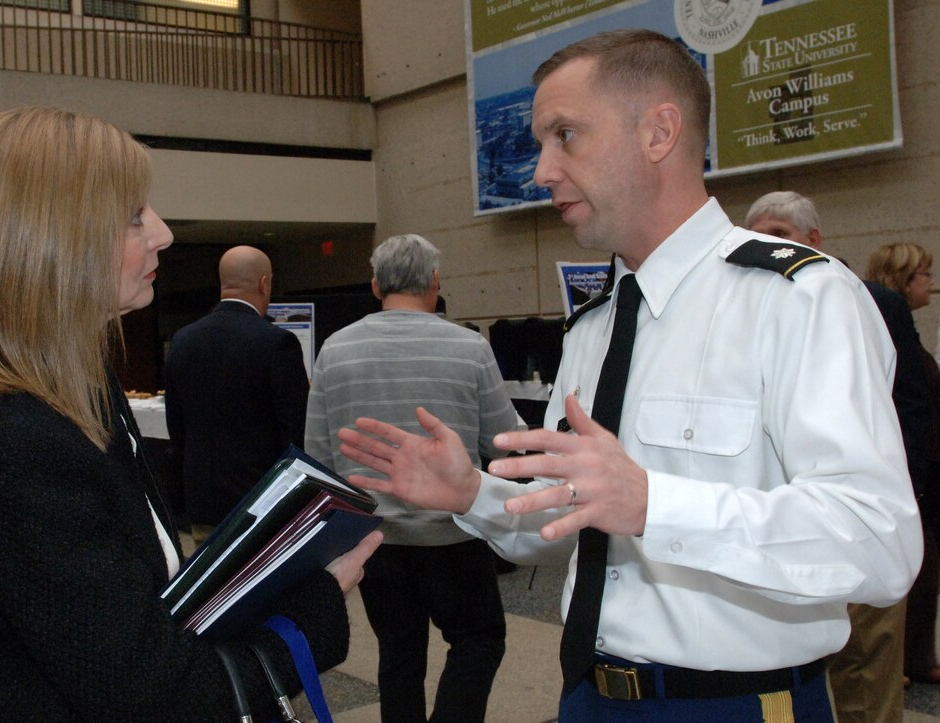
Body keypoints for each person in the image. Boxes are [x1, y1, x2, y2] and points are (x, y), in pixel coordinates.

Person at [336, 29, 922, 722]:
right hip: (589, 695)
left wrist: (655, 503)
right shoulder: (594, 329)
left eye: (566, 136)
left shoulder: (798, 299)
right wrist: (474, 493)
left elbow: (880, 541)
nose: (540, 170)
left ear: (659, 132)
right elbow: (568, 520)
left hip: (733, 703)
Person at [0, 106, 381, 720]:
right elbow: (156, 694)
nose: (165, 233)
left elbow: (132, 612)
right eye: (132, 215)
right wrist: (315, 604)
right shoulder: (15, 444)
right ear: (51, 236)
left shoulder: (76, 397)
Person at [305, 234, 517, 722]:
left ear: (376, 285)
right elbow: (504, 438)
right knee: (478, 641)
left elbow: (317, 452)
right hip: (456, 532)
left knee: (397, 660)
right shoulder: (470, 347)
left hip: (377, 537)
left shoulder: (335, 350)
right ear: (436, 282)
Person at [743, 192, 930, 720]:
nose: (764, 245)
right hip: (778, 528)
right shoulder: (742, 307)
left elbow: (910, 405)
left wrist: (901, 497)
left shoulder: (869, 301)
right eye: (754, 233)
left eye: (777, 233)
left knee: (866, 674)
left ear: (813, 240)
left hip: (860, 522)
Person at [164, 245, 310, 542]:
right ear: (264, 284)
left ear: (222, 284)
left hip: (201, 502)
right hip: (260, 504)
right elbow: (294, 432)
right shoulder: (277, 343)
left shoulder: (182, 340)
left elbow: (176, 429)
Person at [865, 242, 940, 686]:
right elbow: (908, 402)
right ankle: (902, 662)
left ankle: (910, 658)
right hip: (900, 474)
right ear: (905, 278)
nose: (931, 282)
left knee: (924, 571)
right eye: (924, 274)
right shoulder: (882, 316)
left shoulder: (897, 322)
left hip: (917, 471)